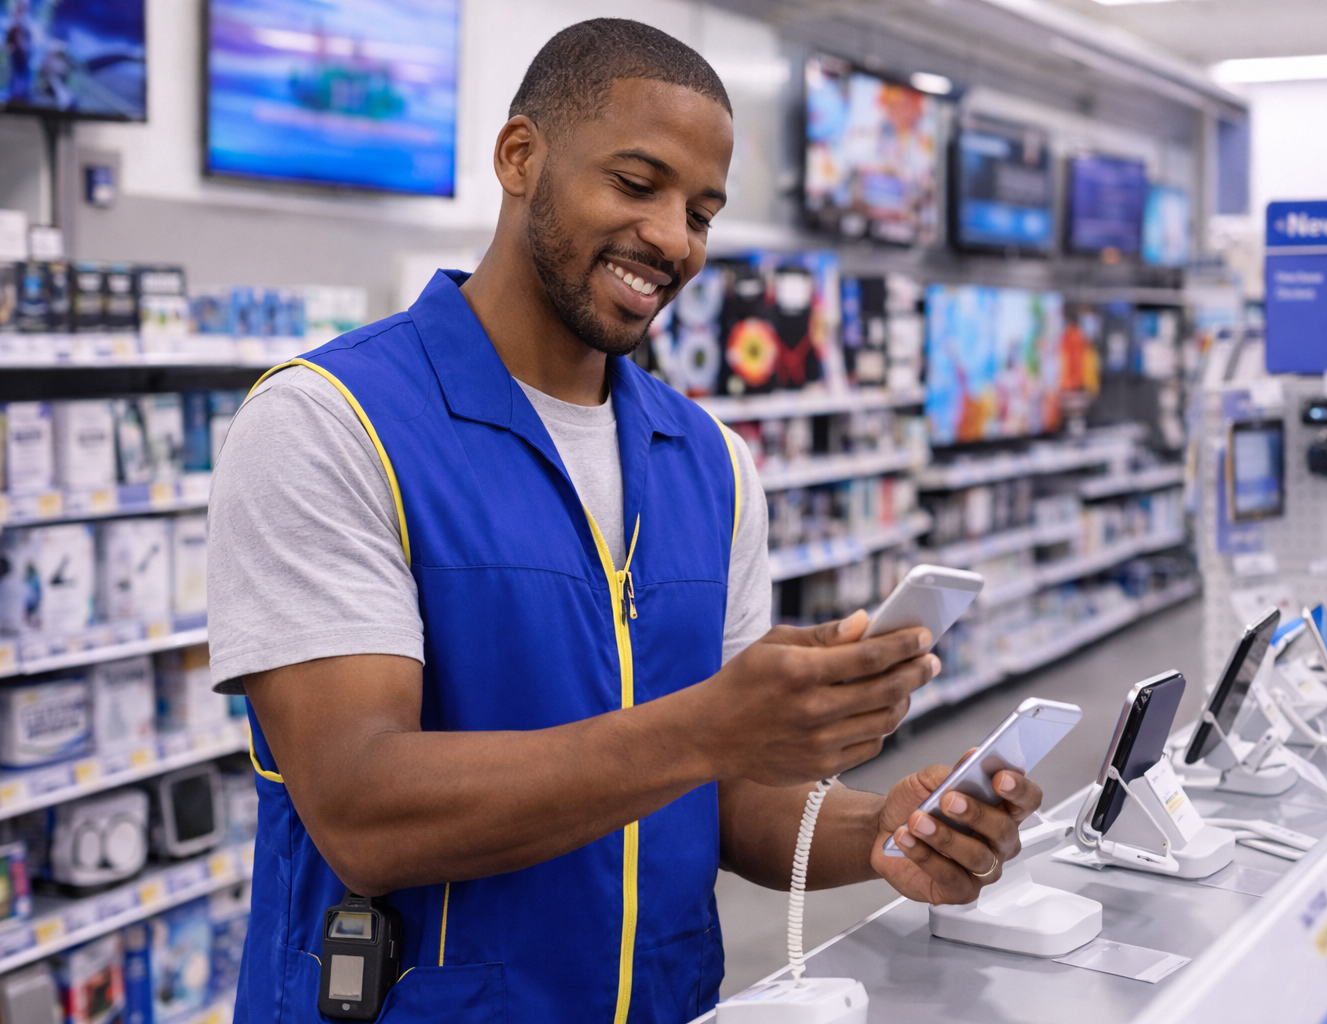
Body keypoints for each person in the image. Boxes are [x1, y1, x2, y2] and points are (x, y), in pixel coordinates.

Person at [209, 19, 1042, 1024]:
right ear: (519, 157)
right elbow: (361, 810)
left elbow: (724, 798)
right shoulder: (331, 420)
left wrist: (884, 830)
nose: (674, 240)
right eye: (637, 184)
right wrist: (714, 723)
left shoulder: (711, 463)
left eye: (701, 212)